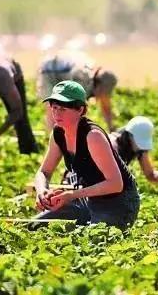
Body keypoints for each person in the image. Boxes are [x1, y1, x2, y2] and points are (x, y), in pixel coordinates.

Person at [33, 81, 140, 230]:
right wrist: (41, 191)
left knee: (92, 240)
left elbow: (115, 184)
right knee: (35, 226)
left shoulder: (93, 136)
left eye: (63, 109)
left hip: (118, 203)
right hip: (88, 199)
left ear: (80, 109)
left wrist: (71, 195)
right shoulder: (58, 134)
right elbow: (43, 172)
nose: (56, 114)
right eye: (54, 107)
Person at [37, 50, 118, 131]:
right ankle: (54, 136)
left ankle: (60, 135)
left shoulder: (93, 76)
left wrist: (111, 126)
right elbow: (76, 107)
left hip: (58, 69)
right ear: (100, 85)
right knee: (53, 106)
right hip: (49, 71)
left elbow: (105, 105)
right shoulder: (84, 78)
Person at [109, 116, 158, 186]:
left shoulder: (138, 147)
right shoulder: (112, 147)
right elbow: (111, 180)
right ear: (129, 135)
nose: (140, 147)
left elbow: (150, 174)